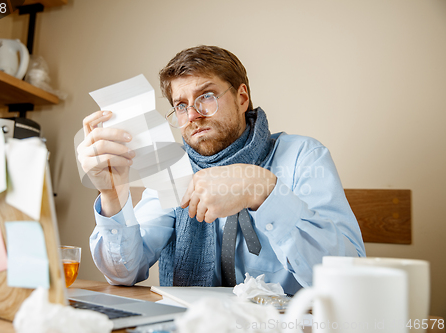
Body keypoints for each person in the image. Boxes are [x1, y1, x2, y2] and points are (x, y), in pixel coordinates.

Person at [77, 45, 365, 294]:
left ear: (242, 98)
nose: (192, 116)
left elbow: (350, 277)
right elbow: (124, 272)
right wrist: (112, 194)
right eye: (180, 105)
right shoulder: (173, 170)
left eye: (206, 96)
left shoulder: (303, 156)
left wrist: (263, 189)